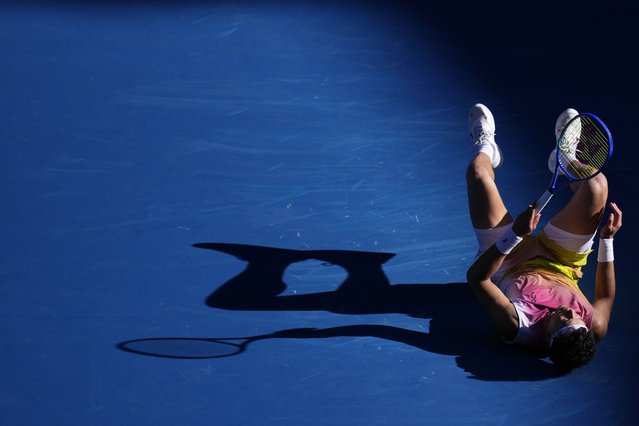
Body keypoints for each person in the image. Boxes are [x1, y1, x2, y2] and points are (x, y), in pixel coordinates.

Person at [465, 103, 622, 373]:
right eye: (575, 317)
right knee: (597, 186)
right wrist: (606, 241)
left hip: (509, 261)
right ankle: (566, 158)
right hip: (562, 259)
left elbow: (477, 277)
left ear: (548, 338)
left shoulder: (516, 324)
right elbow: (606, 298)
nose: (568, 312)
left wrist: (515, 234)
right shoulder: (592, 325)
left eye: (562, 321)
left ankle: (487, 146)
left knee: (478, 175)